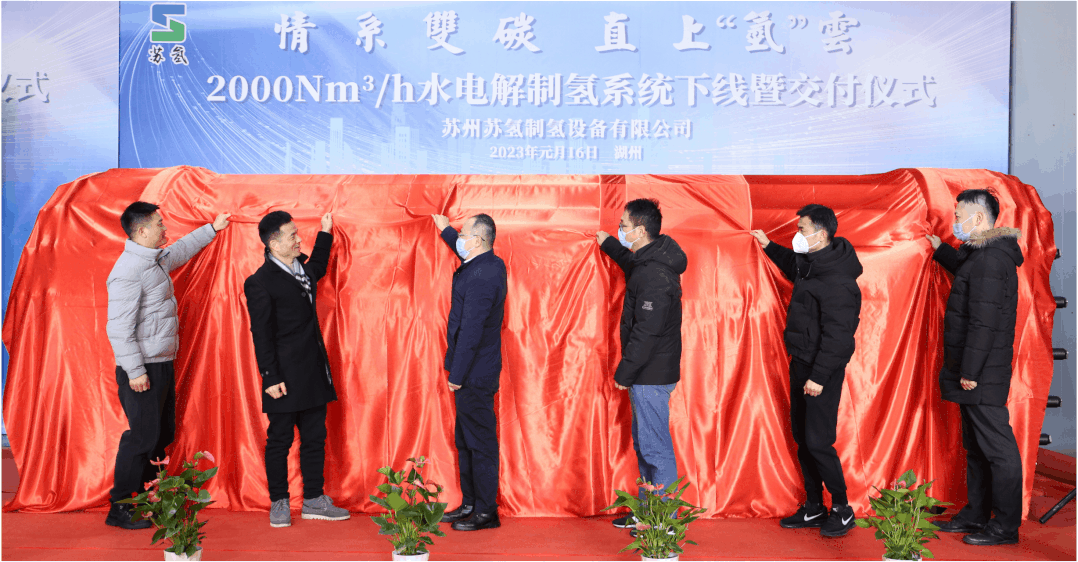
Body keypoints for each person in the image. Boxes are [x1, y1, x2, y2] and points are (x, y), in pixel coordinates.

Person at [105, 202, 231, 529]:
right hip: (142, 369)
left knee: (161, 435)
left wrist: (212, 229)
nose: (165, 228)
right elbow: (118, 328)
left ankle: (145, 501)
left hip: (160, 363)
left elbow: (180, 250)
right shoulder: (128, 270)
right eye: (159, 224)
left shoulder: (154, 258)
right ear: (142, 230)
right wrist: (135, 371)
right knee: (142, 438)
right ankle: (120, 507)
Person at [750, 204, 862, 538]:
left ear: (821, 234)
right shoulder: (811, 264)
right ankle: (814, 505)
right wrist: (768, 245)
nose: (797, 235)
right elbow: (792, 264)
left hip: (821, 372)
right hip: (801, 362)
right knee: (802, 438)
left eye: (802, 230)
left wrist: (818, 377)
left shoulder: (839, 280)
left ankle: (842, 508)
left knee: (818, 441)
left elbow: (839, 339)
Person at [925, 189, 1024, 546]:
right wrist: (941, 249)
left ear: (978, 218)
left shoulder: (991, 260)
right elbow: (970, 277)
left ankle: (1005, 525)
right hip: (979, 368)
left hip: (982, 372)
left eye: (958, 215)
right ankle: (976, 514)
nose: (954, 221)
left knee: (997, 449)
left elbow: (984, 322)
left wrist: (970, 371)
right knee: (977, 447)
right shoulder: (983, 255)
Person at [243, 211, 349, 528]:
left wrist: (325, 233)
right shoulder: (259, 282)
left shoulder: (302, 268)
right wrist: (270, 377)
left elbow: (318, 267)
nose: (298, 239)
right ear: (274, 243)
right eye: (292, 235)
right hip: (283, 377)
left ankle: (314, 499)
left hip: (313, 370)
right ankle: (279, 501)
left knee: (315, 437)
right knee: (280, 440)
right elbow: (261, 334)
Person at [595, 199, 687, 532]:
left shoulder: (655, 275)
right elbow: (629, 261)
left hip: (650, 373)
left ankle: (664, 524)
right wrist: (608, 243)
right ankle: (648, 513)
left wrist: (625, 371)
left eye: (623, 226)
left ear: (641, 230)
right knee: (644, 444)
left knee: (655, 448)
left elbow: (648, 331)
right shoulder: (649, 258)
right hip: (648, 371)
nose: (620, 229)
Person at [431, 213, 508, 532]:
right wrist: (446, 230)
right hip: (473, 370)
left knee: (480, 443)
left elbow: (471, 330)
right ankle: (471, 503)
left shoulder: (482, 275)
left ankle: (486, 511)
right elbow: (465, 247)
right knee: (465, 440)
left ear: (477, 240)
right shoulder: (488, 262)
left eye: (463, 235)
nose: (459, 240)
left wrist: (457, 374)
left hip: (474, 373)